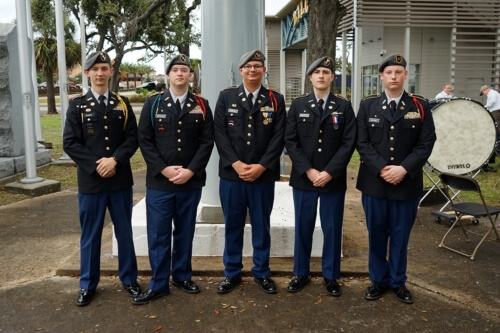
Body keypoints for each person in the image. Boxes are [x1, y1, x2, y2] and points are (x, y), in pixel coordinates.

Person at [133, 54, 214, 305]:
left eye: (184, 70)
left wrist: (190, 170)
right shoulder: (154, 104)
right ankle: (158, 283)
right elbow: (144, 140)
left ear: (190, 76)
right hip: (160, 182)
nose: (180, 74)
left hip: (190, 181)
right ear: (168, 75)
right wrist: (164, 169)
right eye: (175, 70)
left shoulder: (201, 104)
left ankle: (181, 275)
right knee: (158, 233)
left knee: (185, 231)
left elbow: (207, 141)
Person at [356, 54, 436, 304]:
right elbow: (362, 142)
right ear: (381, 76)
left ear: (406, 75)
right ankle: (378, 281)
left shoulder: (420, 105)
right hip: (374, 183)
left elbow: (426, 144)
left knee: (401, 236)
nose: (393, 76)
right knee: (376, 234)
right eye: (388, 72)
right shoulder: (368, 105)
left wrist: (403, 169)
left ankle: (398, 281)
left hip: (407, 183)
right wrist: (382, 168)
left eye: (398, 72)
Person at [63, 51, 141, 306]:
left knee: (124, 232)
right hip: (91, 182)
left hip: (119, 181)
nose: (99, 73)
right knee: (90, 234)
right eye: (94, 69)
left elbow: (132, 138)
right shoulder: (77, 106)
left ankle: (129, 280)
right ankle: (87, 284)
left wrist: (115, 160)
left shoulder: (122, 103)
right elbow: (70, 143)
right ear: (86, 73)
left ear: (110, 72)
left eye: (104, 68)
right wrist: (97, 166)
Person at [214, 49, 286, 294]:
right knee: (232, 224)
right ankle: (231, 272)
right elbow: (220, 134)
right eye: (248, 66)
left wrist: (262, 166)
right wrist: (235, 163)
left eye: (257, 66)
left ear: (264, 70)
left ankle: (262, 272)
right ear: (240, 70)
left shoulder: (275, 99)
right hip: (232, 175)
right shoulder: (226, 97)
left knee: (261, 225)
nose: (253, 70)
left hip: (262, 175)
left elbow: (279, 137)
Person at [284, 56, 356, 296]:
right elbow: (290, 141)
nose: (322, 76)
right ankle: (300, 273)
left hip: (332, 180)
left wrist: (329, 172)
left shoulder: (344, 107)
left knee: (332, 229)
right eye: (317, 72)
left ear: (332, 77)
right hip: (305, 178)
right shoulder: (298, 105)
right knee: (303, 227)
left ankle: (331, 276)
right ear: (310, 77)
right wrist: (309, 170)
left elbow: (348, 143)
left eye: (326, 72)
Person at [479, 85, 500, 172]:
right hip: (496, 111)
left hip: (496, 112)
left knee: (496, 129)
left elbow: (492, 102)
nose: (483, 94)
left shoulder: (492, 94)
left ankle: (497, 146)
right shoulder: (495, 93)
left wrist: (485, 107)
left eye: (483, 92)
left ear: (485, 90)